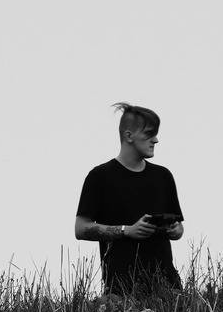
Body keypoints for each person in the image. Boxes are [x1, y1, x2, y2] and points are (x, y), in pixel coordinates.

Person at [75, 102, 186, 295]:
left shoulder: (163, 176)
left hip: (168, 288)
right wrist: (127, 230)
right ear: (129, 136)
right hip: (122, 291)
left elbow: (179, 229)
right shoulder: (99, 176)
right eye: (149, 134)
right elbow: (80, 229)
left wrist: (175, 230)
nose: (156, 140)